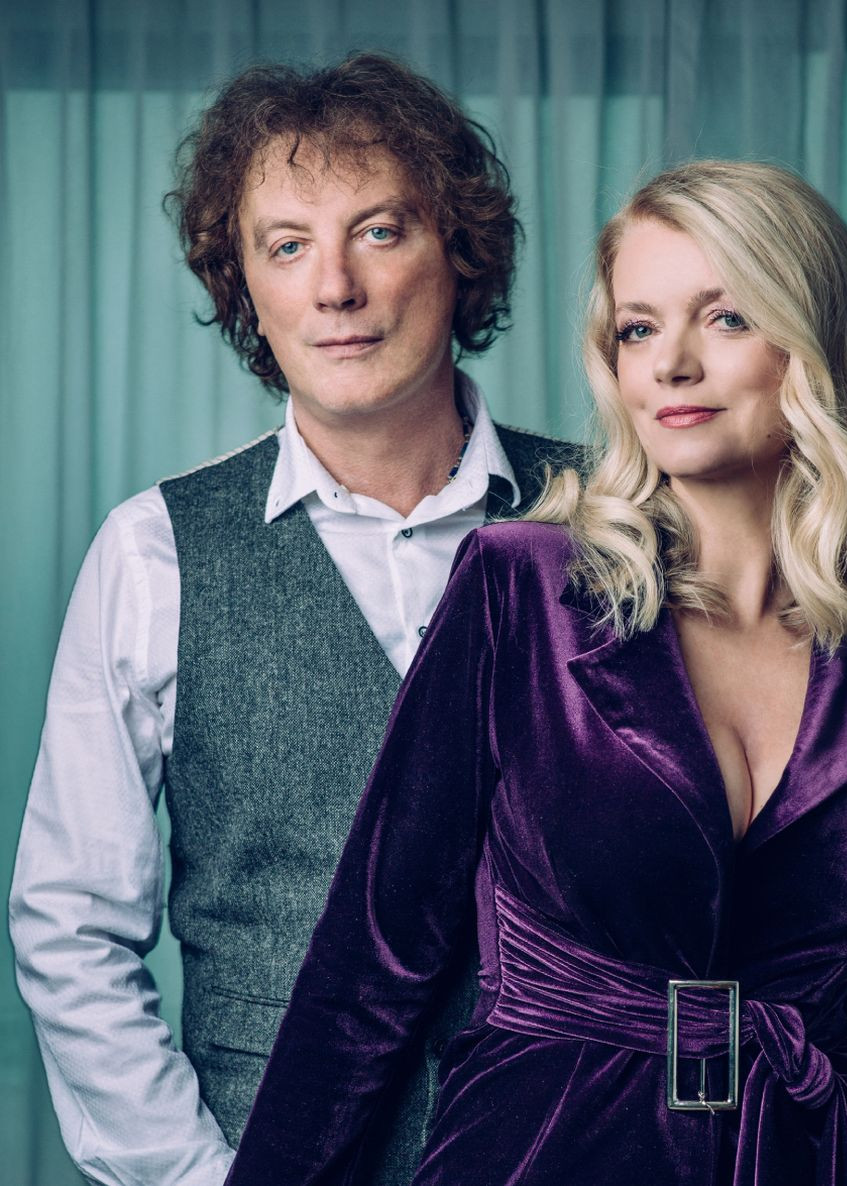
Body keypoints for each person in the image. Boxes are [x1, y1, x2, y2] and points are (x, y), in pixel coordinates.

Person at [223, 160, 847, 1186]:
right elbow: (371, 964)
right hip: (540, 1152)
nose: (671, 363)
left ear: (812, 342)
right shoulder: (522, 587)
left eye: (726, 318)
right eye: (637, 329)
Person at [8, 54, 580, 1186]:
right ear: (246, 288)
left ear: (458, 253)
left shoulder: (617, 520)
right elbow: (69, 923)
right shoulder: (154, 551)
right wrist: (197, 1177)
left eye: (379, 231)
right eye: (286, 245)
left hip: (571, 1151)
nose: (334, 288)